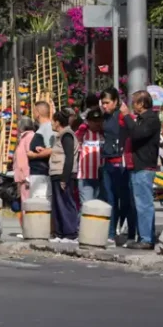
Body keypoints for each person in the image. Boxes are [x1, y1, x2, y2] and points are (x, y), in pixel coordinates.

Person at [100, 88, 135, 244]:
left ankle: (130, 232)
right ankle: (111, 232)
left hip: (120, 163)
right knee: (110, 199)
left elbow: (132, 130)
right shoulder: (104, 117)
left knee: (125, 199)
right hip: (107, 161)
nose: (104, 106)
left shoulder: (122, 116)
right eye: (103, 103)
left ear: (115, 101)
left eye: (107, 103)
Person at [127, 90, 162, 249]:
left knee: (144, 204)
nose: (132, 105)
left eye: (134, 102)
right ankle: (146, 235)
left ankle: (146, 239)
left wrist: (127, 116)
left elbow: (137, 135)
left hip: (144, 166)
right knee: (140, 203)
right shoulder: (142, 119)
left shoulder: (151, 119)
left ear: (142, 104)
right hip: (137, 165)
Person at [48, 110, 79, 240]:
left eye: (53, 121)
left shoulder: (67, 135)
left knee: (65, 204)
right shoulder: (60, 136)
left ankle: (70, 233)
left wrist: (64, 178)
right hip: (57, 173)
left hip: (63, 174)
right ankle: (60, 233)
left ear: (58, 122)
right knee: (58, 205)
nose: (51, 123)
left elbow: (69, 158)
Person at [26, 101, 55, 200]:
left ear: (37, 112)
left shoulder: (47, 128)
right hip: (38, 173)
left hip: (42, 174)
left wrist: (34, 155)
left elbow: (51, 149)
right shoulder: (44, 128)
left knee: (39, 203)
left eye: (34, 111)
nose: (33, 114)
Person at [76, 108, 104, 205]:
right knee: (86, 206)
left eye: (99, 120)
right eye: (94, 121)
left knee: (98, 208)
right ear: (88, 121)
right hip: (85, 176)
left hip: (101, 176)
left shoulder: (104, 134)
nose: (97, 123)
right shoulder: (82, 133)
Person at [13, 116, 37, 204]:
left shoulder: (29, 136)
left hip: (26, 175)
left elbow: (30, 155)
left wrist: (27, 176)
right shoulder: (23, 137)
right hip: (23, 176)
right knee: (24, 200)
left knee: (27, 202)